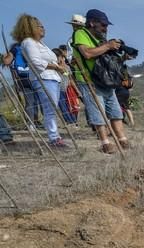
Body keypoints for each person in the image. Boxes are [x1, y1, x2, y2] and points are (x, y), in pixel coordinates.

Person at [71, 9, 130, 153]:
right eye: (103, 25)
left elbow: (107, 60)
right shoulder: (80, 34)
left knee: (116, 111)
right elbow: (87, 53)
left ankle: (123, 140)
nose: (105, 28)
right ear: (92, 23)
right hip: (89, 80)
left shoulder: (101, 39)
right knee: (98, 111)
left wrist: (122, 57)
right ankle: (105, 143)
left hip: (105, 80)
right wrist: (108, 46)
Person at [14, 14, 66, 147]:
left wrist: (58, 65)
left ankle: (55, 136)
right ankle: (54, 138)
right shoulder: (29, 42)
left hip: (52, 79)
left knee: (52, 108)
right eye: (40, 26)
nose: (43, 28)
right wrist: (56, 66)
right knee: (50, 108)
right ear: (31, 28)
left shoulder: (40, 44)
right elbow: (36, 62)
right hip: (43, 79)